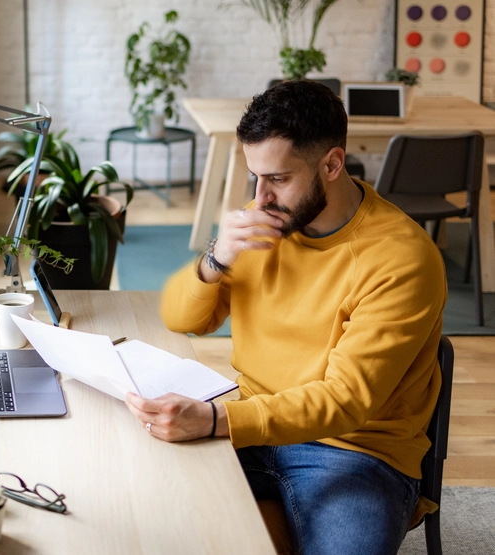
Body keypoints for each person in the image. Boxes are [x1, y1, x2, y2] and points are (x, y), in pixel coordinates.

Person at [124, 80, 447, 555]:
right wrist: (217, 257)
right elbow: (180, 317)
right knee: (141, 513)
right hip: (253, 420)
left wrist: (217, 420)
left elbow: (345, 402)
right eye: (254, 176)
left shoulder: (401, 258)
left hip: (354, 452)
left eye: (277, 178)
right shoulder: (263, 222)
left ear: (332, 164)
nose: (261, 196)